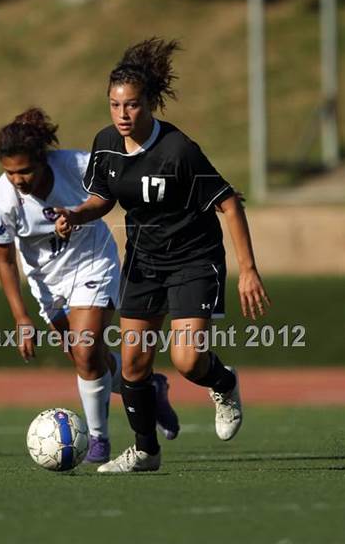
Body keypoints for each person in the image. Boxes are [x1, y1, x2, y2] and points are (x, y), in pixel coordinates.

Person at [55, 38, 270, 473]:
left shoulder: (178, 150)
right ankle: (146, 452)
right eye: (115, 105)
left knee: (188, 360)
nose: (122, 114)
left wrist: (248, 270)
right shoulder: (106, 143)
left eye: (131, 105)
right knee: (133, 363)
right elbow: (102, 197)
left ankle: (224, 384)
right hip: (144, 261)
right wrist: (75, 214)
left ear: (149, 104)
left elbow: (228, 203)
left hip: (193, 258)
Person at [0, 107, 180, 464]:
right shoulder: (0, 200)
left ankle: (98, 441)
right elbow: (5, 260)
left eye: (25, 170)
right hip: (47, 283)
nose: (19, 179)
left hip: (93, 261)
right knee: (86, 358)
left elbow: (118, 180)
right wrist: (21, 318)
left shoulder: (76, 165)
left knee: (86, 350)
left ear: (43, 159)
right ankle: (150, 388)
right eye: (10, 172)